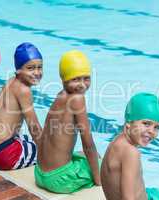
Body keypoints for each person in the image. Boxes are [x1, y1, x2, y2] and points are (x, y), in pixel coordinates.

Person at [35, 50, 101, 194]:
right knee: (103, 164)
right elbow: (88, 144)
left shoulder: (60, 96)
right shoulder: (77, 99)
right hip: (57, 181)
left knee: (88, 157)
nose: (82, 85)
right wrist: (98, 180)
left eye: (86, 78)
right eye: (76, 79)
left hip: (39, 174)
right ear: (63, 79)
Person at [0, 42, 42, 170]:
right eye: (31, 68)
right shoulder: (23, 90)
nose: (37, 72)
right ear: (19, 70)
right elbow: (34, 128)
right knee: (55, 151)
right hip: (4, 155)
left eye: (39, 67)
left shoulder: (10, 81)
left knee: (36, 140)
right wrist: (49, 154)